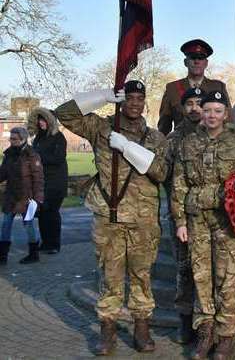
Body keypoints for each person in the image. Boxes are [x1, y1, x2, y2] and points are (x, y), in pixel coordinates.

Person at [55, 80, 168, 355]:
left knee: (141, 276)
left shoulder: (156, 138)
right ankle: (108, 331)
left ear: (145, 103)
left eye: (139, 98)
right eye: (129, 98)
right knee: (110, 276)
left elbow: (162, 172)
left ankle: (142, 328)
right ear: (121, 100)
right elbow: (64, 113)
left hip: (143, 221)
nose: (134, 103)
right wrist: (103, 96)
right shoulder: (101, 128)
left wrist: (128, 148)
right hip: (110, 217)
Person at [171, 90, 235, 360]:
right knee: (201, 278)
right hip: (197, 218)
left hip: (229, 220)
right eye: (207, 110)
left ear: (226, 114)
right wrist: (179, 221)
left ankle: (225, 336)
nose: (211, 115)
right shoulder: (188, 143)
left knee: (229, 279)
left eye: (217, 110)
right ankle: (205, 331)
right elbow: (179, 184)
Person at [164, 87, 205, 345]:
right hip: (181, 213)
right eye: (189, 103)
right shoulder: (173, 139)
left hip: (210, 216)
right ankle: (185, 320)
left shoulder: (215, 134)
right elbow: (166, 177)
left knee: (208, 270)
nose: (194, 108)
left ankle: (205, 322)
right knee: (185, 269)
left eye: (199, 102)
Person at [158, 39, 233, 135]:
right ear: (185, 62)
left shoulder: (218, 87)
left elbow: (228, 121)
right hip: (181, 145)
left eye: (201, 58)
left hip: (212, 146)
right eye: (192, 57)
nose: (196, 61)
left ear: (206, 63)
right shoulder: (172, 89)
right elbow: (164, 126)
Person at [0, 127, 44, 265]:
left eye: (14, 139)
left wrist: (38, 199)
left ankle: (33, 254)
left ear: (23, 139)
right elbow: (3, 174)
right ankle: (2, 256)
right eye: (10, 139)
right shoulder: (9, 155)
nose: (11, 141)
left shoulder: (32, 155)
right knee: (5, 225)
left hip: (27, 198)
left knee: (29, 225)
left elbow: (38, 179)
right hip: (11, 196)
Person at [27, 107, 68, 255]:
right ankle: (46, 243)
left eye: (43, 119)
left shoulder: (59, 137)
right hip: (42, 183)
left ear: (50, 121)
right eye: (39, 120)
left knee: (52, 213)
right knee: (43, 213)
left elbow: (58, 158)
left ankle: (54, 245)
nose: (41, 122)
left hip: (56, 183)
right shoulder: (38, 138)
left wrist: (38, 158)